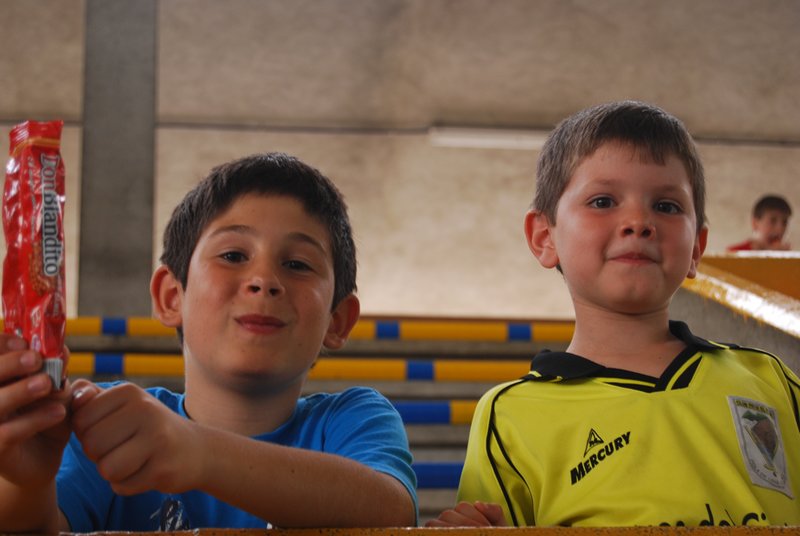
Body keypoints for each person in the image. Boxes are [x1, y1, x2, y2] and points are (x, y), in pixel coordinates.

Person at [427, 101, 800, 527]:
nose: (639, 222)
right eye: (603, 201)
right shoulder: (508, 417)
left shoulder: (771, 380)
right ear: (545, 237)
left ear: (697, 247)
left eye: (667, 206)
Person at [0, 153, 417, 532]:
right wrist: (28, 485)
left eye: (297, 264)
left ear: (337, 320)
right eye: (233, 256)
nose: (264, 280)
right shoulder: (104, 427)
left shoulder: (353, 419)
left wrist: (199, 452)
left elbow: (390, 514)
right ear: (171, 296)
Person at [727, 194, 792, 251]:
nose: (780, 229)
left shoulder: (786, 256)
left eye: (785, 222)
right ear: (755, 223)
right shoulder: (734, 253)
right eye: (773, 221)